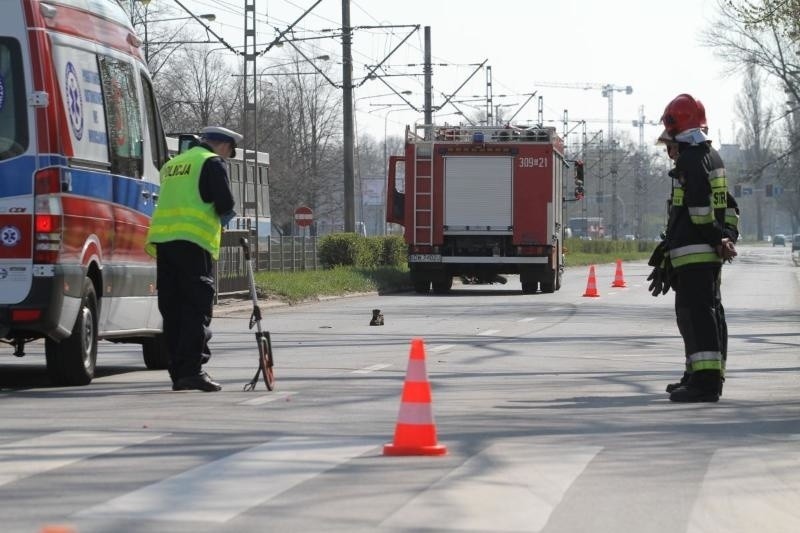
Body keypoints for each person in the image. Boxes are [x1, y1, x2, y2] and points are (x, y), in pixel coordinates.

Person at [648, 93, 736, 403]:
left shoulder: (690, 161)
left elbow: (699, 210)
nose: (668, 152)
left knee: (695, 316)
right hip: (706, 254)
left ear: (677, 132)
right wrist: (726, 237)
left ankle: (705, 383)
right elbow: (729, 207)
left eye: (668, 143)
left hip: (696, 255)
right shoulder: (713, 158)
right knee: (706, 315)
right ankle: (699, 374)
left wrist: (716, 238)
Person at [145, 126, 240, 392]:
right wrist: (225, 223)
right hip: (194, 243)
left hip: (165, 243)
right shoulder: (210, 163)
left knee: (172, 308)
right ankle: (192, 370)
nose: (227, 157)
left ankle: (178, 371)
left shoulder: (173, 165)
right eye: (229, 152)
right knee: (195, 308)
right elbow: (224, 203)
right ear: (223, 146)